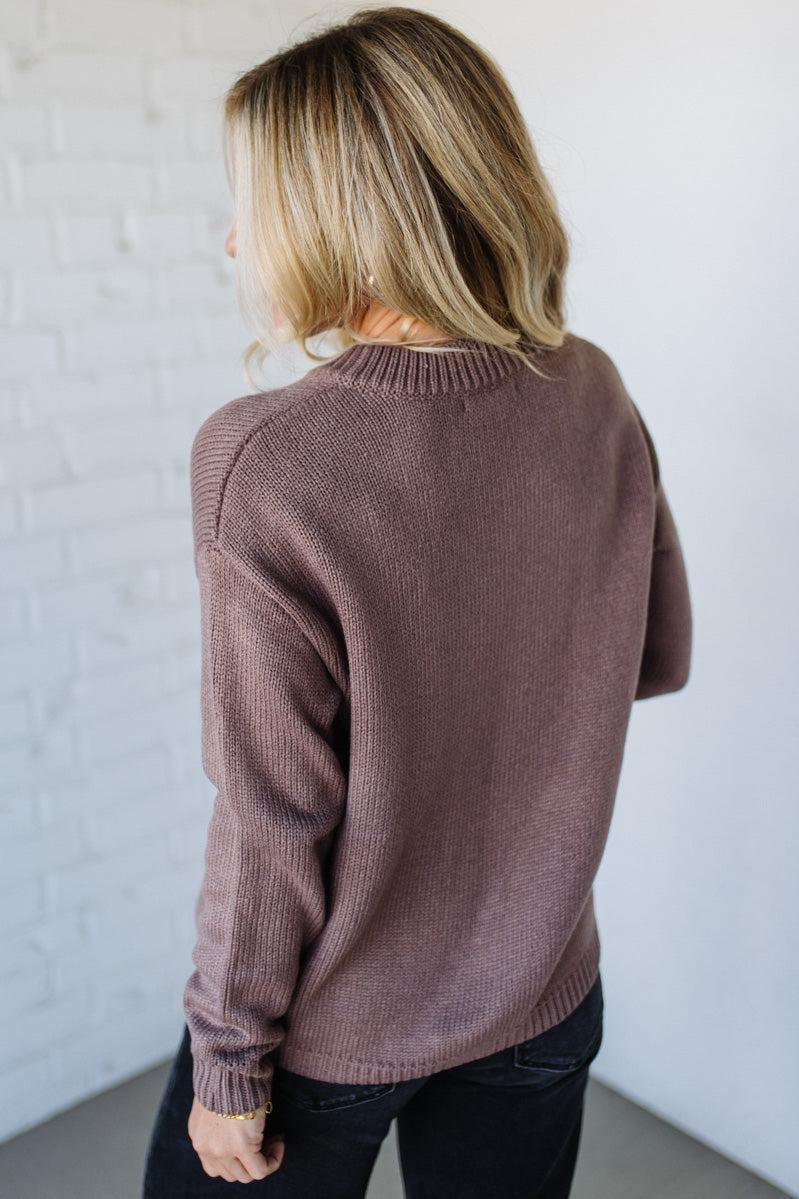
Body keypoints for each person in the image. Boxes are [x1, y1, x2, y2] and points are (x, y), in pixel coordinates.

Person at [142, 7, 692, 1197]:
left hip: (327, 1032)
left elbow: (269, 812)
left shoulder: (267, 459)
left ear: (347, 219)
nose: (238, 243)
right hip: (543, 988)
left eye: (259, 205)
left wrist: (228, 1062)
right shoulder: (592, 384)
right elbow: (651, 652)